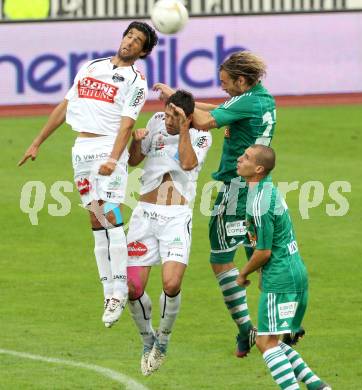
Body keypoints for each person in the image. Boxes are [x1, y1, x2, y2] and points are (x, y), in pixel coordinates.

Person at [18, 21, 158, 328]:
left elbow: (126, 124)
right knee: (95, 219)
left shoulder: (136, 81)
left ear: (143, 52)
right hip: (81, 148)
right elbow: (65, 106)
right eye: (129, 36)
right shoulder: (91, 67)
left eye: (138, 41)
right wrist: (37, 141)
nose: (130, 42)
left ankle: (120, 289)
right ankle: (109, 291)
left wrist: (113, 157)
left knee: (111, 214)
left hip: (109, 148)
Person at [154, 51, 277, 357]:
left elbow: (206, 121)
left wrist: (179, 105)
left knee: (221, 259)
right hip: (261, 189)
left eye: (226, 83)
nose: (223, 88)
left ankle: (248, 329)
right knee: (260, 261)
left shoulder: (248, 100)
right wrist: (184, 101)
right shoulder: (262, 98)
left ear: (241, 80)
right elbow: (220, 109)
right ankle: (274, 331)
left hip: (236, 191)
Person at [126, 90, 212, 376]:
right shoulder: (155, 122)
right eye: (166, 113)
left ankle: (162, 341)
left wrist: (184, 129)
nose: (168, 121)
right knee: (132, 288)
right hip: (144, 216)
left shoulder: (200, 135)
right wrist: (135, 141)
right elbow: (133, 160)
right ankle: (146, 339)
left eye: (174, 117)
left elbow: (188, 163)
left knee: (171, 284)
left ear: (187, 117)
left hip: (176, 218)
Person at [236, 144, 331, 390]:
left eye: (245, 157)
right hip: (294, 272)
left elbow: (264, 251)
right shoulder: (269, 190)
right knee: (274, 341)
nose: (239, 159)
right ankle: (318, 387)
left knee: (265, 342)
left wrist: (243, 272)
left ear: (258, 168)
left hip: (281, 277)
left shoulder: (259, 201)